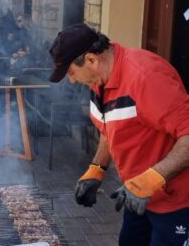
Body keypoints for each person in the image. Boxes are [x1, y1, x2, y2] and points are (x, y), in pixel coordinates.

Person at [48, 23, 189, 246]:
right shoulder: (98, 80)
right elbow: (111, 128)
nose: (72, 80)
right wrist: (97, 169)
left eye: (72, 73)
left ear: (91, 59)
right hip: (137, 195)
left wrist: (152, 180)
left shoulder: (146, 77)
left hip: (176, 204)